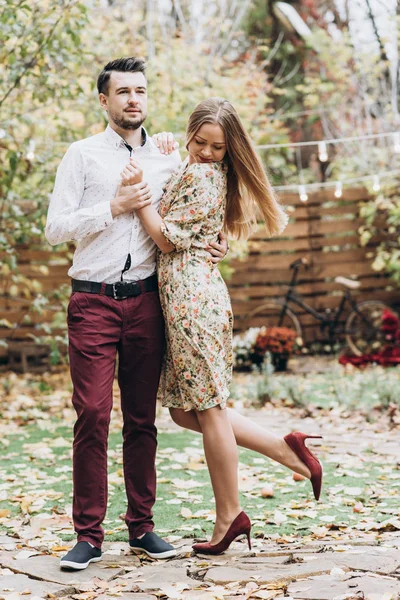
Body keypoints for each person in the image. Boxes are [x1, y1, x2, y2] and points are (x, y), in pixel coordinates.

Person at [45, 58, 228, 570]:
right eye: (122, 91)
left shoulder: (172, 157)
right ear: (103, 101)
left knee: (142, 419)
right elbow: (55, 228)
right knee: (93, 415)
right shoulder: (81, 156)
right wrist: (115, 205)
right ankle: (88, 534)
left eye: (140, 91)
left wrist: (218, 242)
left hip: (148, 301)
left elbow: (200, 212)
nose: (133, 99)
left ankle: (142, 528)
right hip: (93, 301)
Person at [120, 97, 323, 555]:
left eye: (218, 147)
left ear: (230, 150)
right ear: (190, 133)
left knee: (209, 410)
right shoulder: (197, 168)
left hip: (193, 303)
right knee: (182, 412)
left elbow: (166, 240)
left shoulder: (202, 175)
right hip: (187, 299)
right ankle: (284, 447)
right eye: (202, 142)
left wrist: (139, 197)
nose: (208, 152)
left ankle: (229, 515)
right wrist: (172, 149)